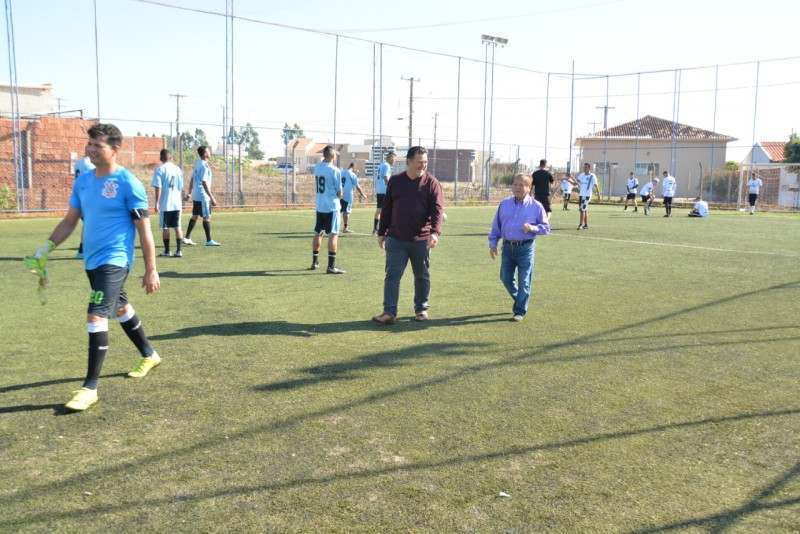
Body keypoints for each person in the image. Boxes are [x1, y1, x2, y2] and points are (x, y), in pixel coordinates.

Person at [29, 123, 161, 412]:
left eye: (97, 146)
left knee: (96, 313)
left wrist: (151, 269)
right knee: (120, 308)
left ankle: (90, 388)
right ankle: (149, 354)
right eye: (89, 144)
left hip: (115, 260)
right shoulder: (84, 181)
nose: (90, 150)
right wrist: (46, 248)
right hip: (92, 260)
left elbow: (144, 231)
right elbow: (70, 220)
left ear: (114, 149)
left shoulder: (129, 184)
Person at [372, 146, 444, 324]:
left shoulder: (432, 183)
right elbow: (387, 208)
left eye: (425, 162)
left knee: (422, 276)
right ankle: (389, 313)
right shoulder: (396, 181)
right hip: (396, 239)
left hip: (422, 240)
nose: (423, 165)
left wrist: (435, 232)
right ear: (409, 162)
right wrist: (382, 232)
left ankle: (421, 310)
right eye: (419, 162)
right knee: (392, 276)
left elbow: (437, 210)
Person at [488, 173, 550, 322]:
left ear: (529, 188)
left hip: (525, 249)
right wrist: (493, 243)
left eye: (521, 185)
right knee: (505, 278)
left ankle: (519, 311)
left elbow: (546, 228)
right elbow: (496, 226)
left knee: (524, 281)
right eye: (515, 184)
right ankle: (520, 299)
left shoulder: (536, 206)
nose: (517, 187)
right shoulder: (504, 204)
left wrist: (532, 228)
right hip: (508, 248)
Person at [310, 145, 345, 274]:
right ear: (331, 156)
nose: (336, 156)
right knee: (333, 234)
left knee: (318, 233)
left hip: (320, 206)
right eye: (335, 154)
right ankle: (331, 266)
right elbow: (339, 191)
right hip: (332, 206)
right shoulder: (334, 170)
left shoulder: (317, 168)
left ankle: (315, 261)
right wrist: (339, 198)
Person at [151, 149, 185, 257]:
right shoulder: (178, 169)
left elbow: (158, 187)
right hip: (176, 202)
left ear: (160, 158)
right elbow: (180, 186)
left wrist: (156, 202)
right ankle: (179, 251)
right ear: (170, 157)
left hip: (165, 203)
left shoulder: (159, 170)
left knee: (165, 227)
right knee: (177, 226)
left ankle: (167, 251)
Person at [184, 145, 220, 246]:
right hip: (203, 195)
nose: (210, 153)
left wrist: (190, 193)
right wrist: (212, 197)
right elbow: (204, 182)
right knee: (206, 217)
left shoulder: (198, 164)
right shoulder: (204, 166)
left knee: (195, 216)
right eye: (208, 151)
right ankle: (209, 240)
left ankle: (187, 238)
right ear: (205, 154)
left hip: (196, 195)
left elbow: (192, 179)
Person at [73, 147, 95, 259]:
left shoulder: (78, 163)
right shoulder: (90, 165)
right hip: (87, 197)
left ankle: (82, 250)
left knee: (87, 224)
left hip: (79, 196)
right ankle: (85, 250)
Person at [373, 151, 396, 235]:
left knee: (380, 209)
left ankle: (376, 229)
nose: (394, 161)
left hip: (380, 190)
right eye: (394, 159)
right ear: (390, 157)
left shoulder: (382, 164)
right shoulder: (386, 166)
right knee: (387, 209)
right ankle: (384, 229)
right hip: (384, 190)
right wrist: (391, 188)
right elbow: (386, 178)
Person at [340, 162, 367, 233]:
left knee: (338, 211)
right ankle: (345, 227)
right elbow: (357, 186)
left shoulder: (342, 172)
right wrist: (363, 195)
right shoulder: (352, 175)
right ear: (354, 168)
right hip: (347, 195)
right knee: (347, 212)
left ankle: (329, 226)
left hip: (340, 194)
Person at [576, 163, 601, 230]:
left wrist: (599, 195)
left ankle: (580, 225)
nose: (584, 169)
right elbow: (575, 183)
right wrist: (568, 179)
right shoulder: (581, 175)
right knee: (584, 210)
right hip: (581, 195)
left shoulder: (592, 176)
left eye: (586, 167)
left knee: (582, 209)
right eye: (584, 167)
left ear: (589, 168)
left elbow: (596, 185)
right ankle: (586, 225)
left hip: (587, 195)